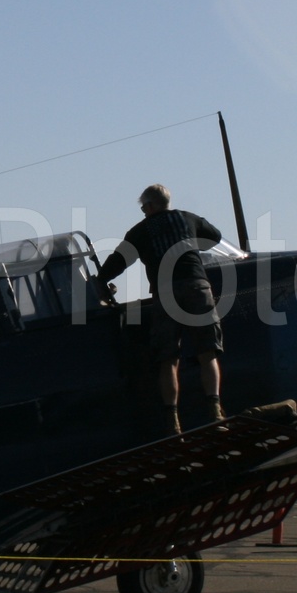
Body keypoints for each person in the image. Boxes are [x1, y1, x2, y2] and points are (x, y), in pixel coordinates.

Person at [97, 184, 225, 434]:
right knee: (207, 351)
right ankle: (215, 411)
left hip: (165, 292)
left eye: (143, 206)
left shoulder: (140, 231)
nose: (143, 211)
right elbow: (215, 237)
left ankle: (173, 421)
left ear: (151, 205)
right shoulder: (188, 218)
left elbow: (119, 261)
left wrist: (100, 278)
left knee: (168, 358)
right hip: (196, 285)